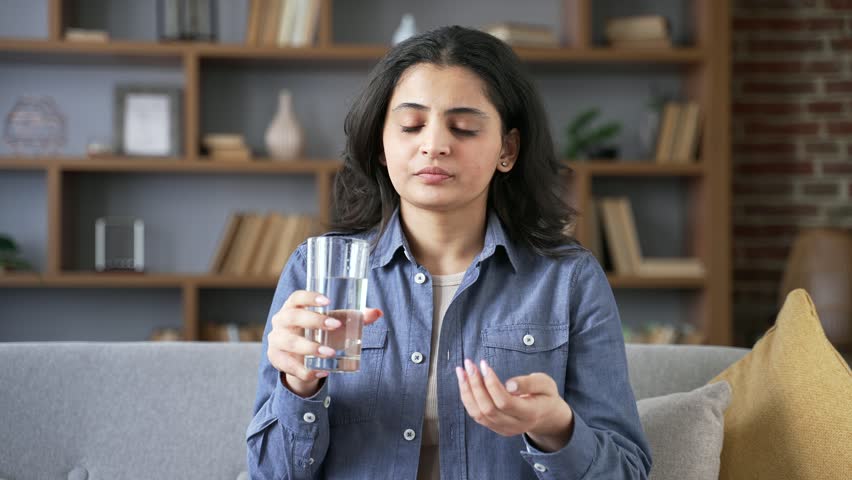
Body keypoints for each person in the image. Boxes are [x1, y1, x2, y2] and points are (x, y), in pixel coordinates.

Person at [247, 25, 651, 479]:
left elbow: (627, 471)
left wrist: (555, 429)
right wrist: (298, 386)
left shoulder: (567, 280)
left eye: (463, 127)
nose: (434, 144)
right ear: (382, 144)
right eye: (410, 125)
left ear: (508, 149)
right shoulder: (315, 270)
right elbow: (271, 474)